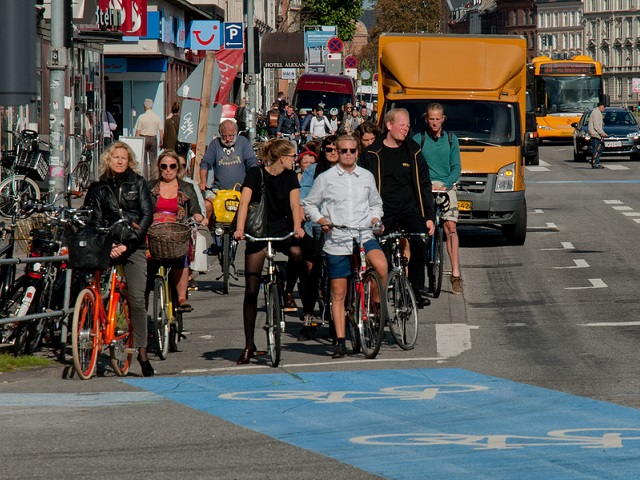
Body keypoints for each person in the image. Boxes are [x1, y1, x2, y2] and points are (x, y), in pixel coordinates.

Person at [302, 135, 387, 358]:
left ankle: (376, 309)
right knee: (338, 293)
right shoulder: (326, 178)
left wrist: (376, 219)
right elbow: (310, 204)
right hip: (338, 239)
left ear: (357, 152)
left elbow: (376, 204)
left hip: (363, 234)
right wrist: (322, 220)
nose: (348, 154)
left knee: (381, 266)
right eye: (343, 151)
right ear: (337, 153)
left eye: (352, 150)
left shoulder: (366, 176)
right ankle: (340, 340)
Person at [83, 141, 154, 376]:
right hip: (108, 244)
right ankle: (91, 329)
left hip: (133, 245)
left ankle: (142, 351)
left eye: (124, 157)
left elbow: (146, 216)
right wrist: (108, 243)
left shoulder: (139, 183)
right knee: (90, 287)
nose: (120, 161)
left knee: (136, 298)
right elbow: (91, 219)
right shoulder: (98, 187)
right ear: (108, 160)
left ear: (130, 160)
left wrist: (128, 243)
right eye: (116, 157)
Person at [233, 139, 306, 365]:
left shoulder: (290, 176)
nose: (295, 160)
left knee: (296, 253)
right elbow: (244, 203)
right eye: (292, 156)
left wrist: (297, 227)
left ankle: (285, 288)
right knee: (252, 290)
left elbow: (295, 204)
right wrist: (240, 229)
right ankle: (248, 345)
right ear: (282, 157)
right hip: (257, 229)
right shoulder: (256, 173)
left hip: (281, 227)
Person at [360, 108, 436, 307]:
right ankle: (380, 301)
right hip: (382, 212)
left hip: (408, 209)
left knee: (420, 238)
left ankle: (415, 289)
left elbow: (424, 184)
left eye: (408, 125)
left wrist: (428, 216)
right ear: (389, 125)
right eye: (402, 125)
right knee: (381, 252)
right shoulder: (371, 153)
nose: (406, 128)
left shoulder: (414, 151)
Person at [414, 103, 463, 294]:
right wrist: (427, 184)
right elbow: (416, 165)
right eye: (431, 119)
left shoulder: (451, 140)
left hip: (446, 186)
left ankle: (456, 274)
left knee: (451, 227)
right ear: (427, 119)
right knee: (422, 228)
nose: (434, 123)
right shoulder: (420, 139)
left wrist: (445, 184)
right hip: (426, 187)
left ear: (443, 119)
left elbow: (456, 167)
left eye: (438, 119)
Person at [148, 150, 205, 311]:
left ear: (177, 168)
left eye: (172, 166)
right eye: (164, 166)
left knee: (181, 255)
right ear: (159, 168)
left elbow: (194, 206)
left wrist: (198, 215)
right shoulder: (150, 186)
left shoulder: (186, 187)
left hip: (177, 229)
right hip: (154, 230)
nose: (168, 170)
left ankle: (181, 297)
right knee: (145, 260)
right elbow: (143, 209)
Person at [297, 136, 340, 337]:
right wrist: (312, 215)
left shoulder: (346, 169)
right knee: (311, 271)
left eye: (335, 149)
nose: (332, 152)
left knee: (339, 274)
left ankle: (338, 319)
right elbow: (303, 195)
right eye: (328, 149)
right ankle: (307, 316)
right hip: (315, 224)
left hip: (339, 226)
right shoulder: (313, 171)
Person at [199, 119, 258, 230]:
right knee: (207, 205)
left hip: (239, 190)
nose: (227, 139)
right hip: (219, 191)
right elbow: (205, 163)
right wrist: (203, 181)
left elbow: (251, 162)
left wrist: (254, 176)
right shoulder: (215, 144)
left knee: (253, 208)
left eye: (231, 136)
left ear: (236, 132)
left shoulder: (243, 142)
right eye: (224, 136)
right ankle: (213, 233)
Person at [135, 98, 163, 180]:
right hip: (153, 138)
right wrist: (161, 141)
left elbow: (138, 132)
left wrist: (137, 142)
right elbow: (161, 131)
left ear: (145, 106)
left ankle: (144, 178)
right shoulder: (157, 117)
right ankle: (154, 178)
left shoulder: (141, 117)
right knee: (153, 160)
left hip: (143, 138)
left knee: (143, 160)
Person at [588, 101, 607, 169]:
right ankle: (595, 162)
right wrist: (602, 133)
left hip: (596, 134)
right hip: (595, 134)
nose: (603, 108)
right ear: (600, 106)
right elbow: (596, 125)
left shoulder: (597, 112)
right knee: (596, 149)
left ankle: (594, 160)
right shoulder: (596, 113)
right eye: (603, 107)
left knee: (601, 147)